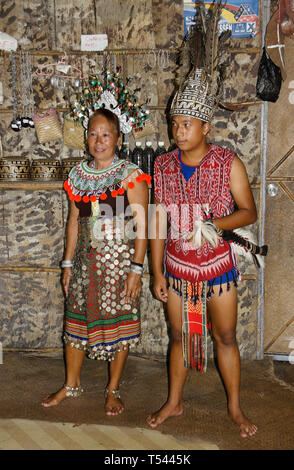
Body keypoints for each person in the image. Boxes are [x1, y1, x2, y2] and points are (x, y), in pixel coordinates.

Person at [146, 62, 258, 437]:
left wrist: (213, 225)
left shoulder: (228, 163)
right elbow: (158, 220)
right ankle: (175, 401)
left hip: (218, 268)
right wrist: (157, 272)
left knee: (225, 336)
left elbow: (248, 211)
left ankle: (235, 408)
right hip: (177, 269)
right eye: (174, 123)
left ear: (206, 127)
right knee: (179, 337)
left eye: (186, 124)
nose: (178, 131)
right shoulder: (162, 166)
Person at [42, 107, 148, 415]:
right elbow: (74, 221)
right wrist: (67, 264)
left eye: (105, 134)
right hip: (85, 263)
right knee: (75, 319)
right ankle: (71, 384)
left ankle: (113, 389)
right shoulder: (78, 175)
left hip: (119, 262)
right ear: (86, 137)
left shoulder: (129, 174)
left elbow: (142, 224)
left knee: (120, 322)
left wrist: (136, 270)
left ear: (117, 138)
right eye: (92, 134)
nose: (98, 140)